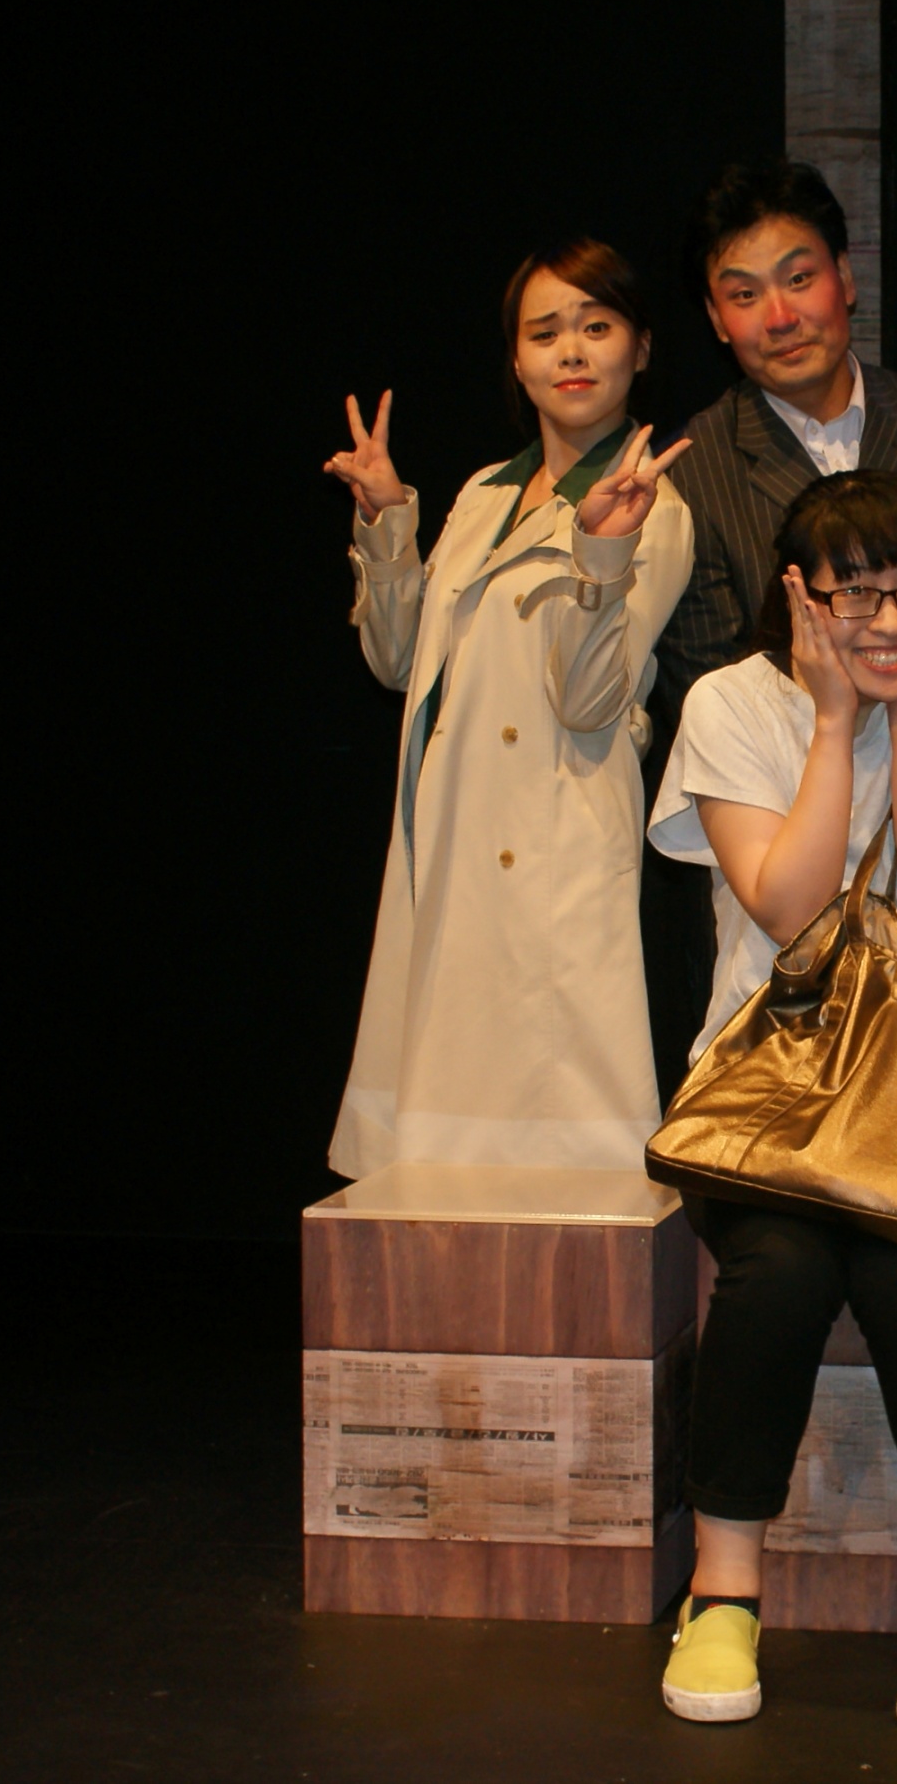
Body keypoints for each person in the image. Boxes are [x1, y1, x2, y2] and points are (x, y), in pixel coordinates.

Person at [647, 470, 897, 1728]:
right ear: (798, 597)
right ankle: (722, 1589)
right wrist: (829, 724)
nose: (886, 620)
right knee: (781, 1269)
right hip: (764, 1095)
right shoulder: (729, 702)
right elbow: (787, 906)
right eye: (851, 593)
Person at [320, 239, 692, 1175]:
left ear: (641, 348)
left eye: (596, 326)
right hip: (456, 823)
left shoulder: (654, 505)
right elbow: (399, 663)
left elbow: (588, 701)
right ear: (517, 361)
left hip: (556, 829)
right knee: (445, 1129)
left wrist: (602, 553)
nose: (571, 351)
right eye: (545, 332)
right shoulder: (484, 491)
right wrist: (388, 522)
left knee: (555, 1138)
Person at [638, 160, 897, 1100]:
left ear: (845, 278)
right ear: (715, 318)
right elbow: (709, 658)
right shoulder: (695, 464)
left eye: (799, 278)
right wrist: (839, 731)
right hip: (781, 820)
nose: (780, 314)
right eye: (743, 294)